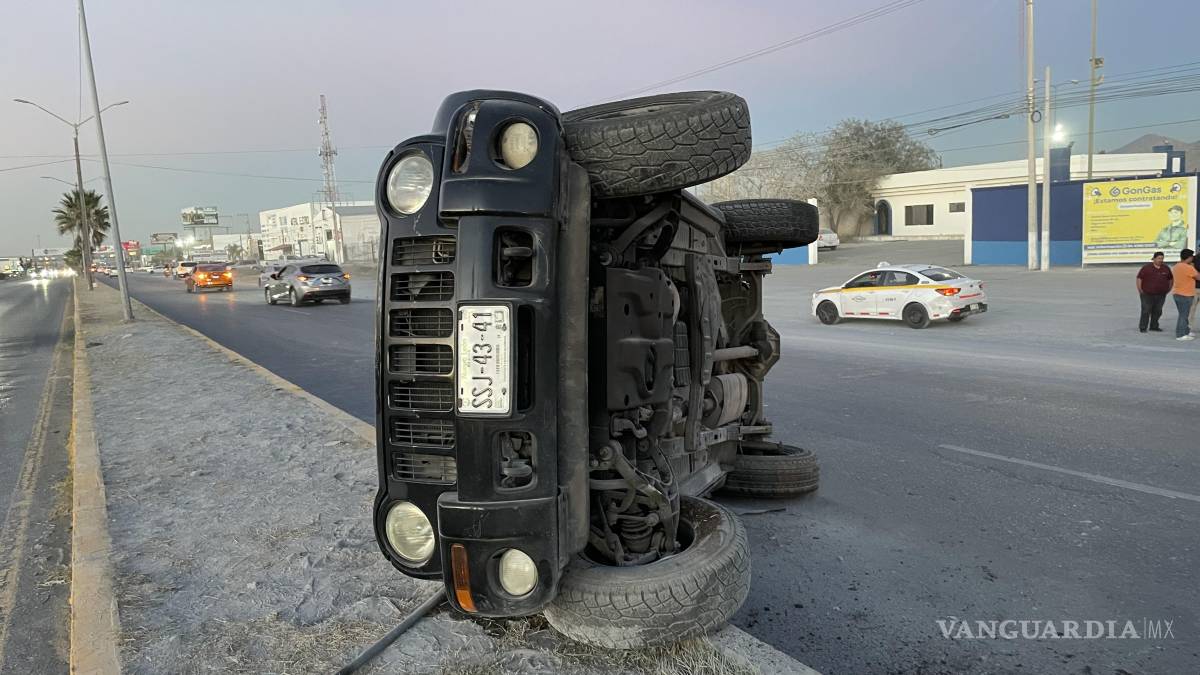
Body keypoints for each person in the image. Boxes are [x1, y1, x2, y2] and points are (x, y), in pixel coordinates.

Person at [1136, 251, 1173, 332]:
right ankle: (1143, 327)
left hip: (1161, 294)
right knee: (1146, 310)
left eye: (1162, 258)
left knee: (1158, 311)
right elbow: (1139, 278)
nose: (1160, 260)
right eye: (1159, 258)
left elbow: (1170, 279)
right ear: (1154, 259)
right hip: (1147, 294)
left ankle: (1154, 326)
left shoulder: (1166, 268)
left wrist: (1169, 289)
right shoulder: (1146, 268)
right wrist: (1140, 289)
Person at [1171, 248, 1200, 341]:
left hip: (1177, 293)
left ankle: (1186, 332)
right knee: (1183, 315)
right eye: (1192, 257)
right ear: (1189, 257)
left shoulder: (1176, 266)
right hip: (1186, 294)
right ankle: (1180, 334)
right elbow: (1198, 277)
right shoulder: (1188, 267)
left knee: (1183, 314)